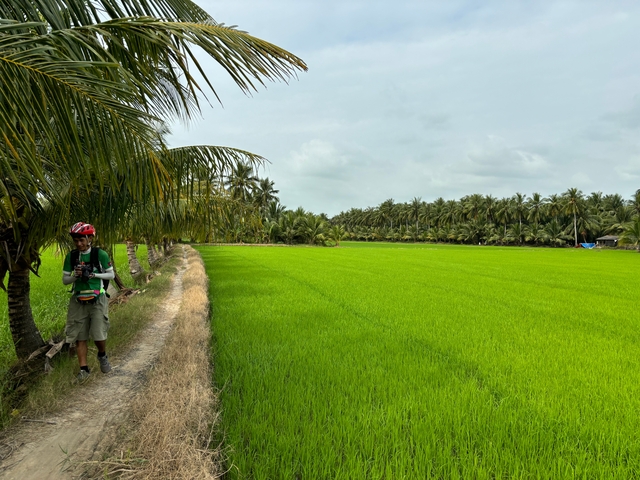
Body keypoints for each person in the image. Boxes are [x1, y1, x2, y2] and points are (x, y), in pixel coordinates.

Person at [62, 222, 115, 382]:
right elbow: (65, 280)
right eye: (76, 241)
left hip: (97, 298)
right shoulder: (71, 256)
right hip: (78, 300)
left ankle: (102, 354)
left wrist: (93, 275)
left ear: (90, 238)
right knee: (80, 336)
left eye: (82, 240)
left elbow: (110, 275)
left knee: (99, 334)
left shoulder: (100, 255)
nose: (79, 244)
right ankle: (84, 370)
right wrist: (76, 276)